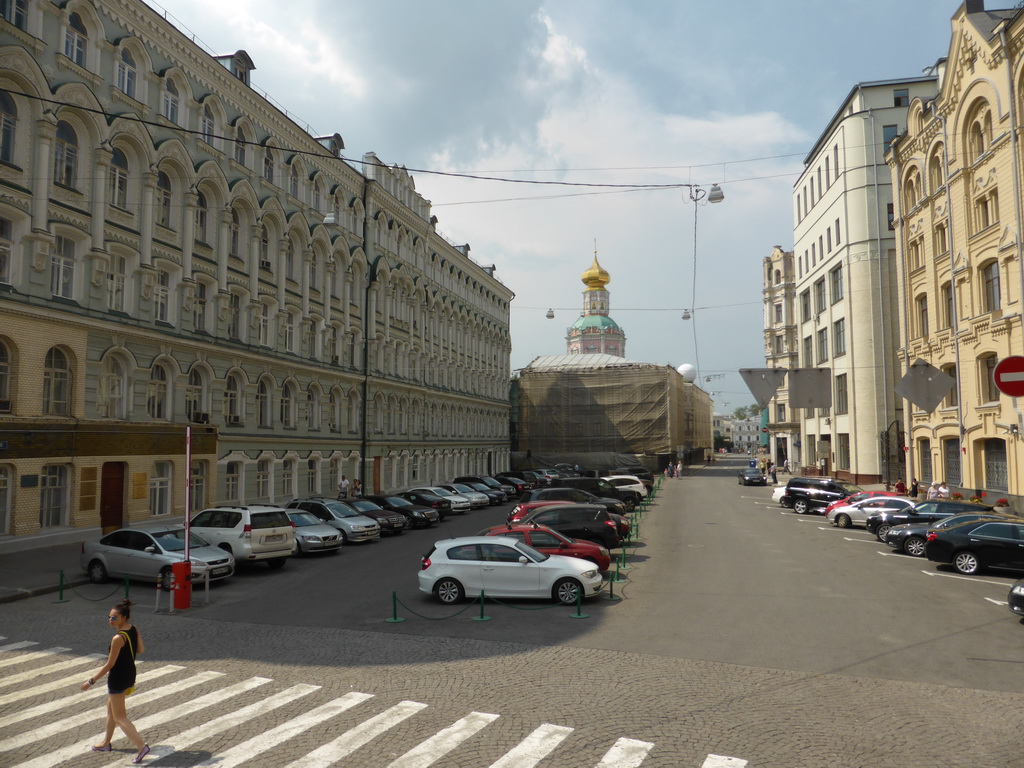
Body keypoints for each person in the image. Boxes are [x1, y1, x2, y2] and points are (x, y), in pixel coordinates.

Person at [81, 599, 149, 764]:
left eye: (114, 618)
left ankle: (141, 746)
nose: (110, 620)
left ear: (123, 618)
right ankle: (106, 743)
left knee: (120, 717)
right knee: (111, 709)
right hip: (129, 674)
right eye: (109, 617)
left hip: (118, 678)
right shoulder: (133, 629)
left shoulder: (118, 638)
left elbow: (109, 664)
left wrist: (91, 681)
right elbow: (140, 650)